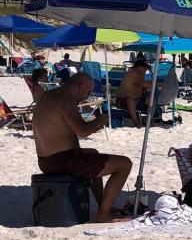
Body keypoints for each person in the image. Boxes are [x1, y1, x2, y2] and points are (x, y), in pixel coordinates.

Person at [32, 74, 133, 222]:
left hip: (47, 159)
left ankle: (103, 205)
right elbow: (82, 131)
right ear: (82, 86)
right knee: (124, 164)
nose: (87, 96)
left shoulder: (50, 95)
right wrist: (100, 120)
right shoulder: (64, 98)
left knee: (93, 154)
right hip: (61, 160)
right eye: (89, 91)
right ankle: (103, 214)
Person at [116, 60, 150, 128]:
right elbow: (144, 83)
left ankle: (150, 120)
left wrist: (145, 89)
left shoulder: (138, 74)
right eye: (145, 69)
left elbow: (138, 86)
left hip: (137, 99)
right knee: (129, 100)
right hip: (123, 101)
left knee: (151, 98)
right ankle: (136, 122)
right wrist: (159, 83)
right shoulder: (132, 73)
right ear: (140, 67)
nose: (145, 71)